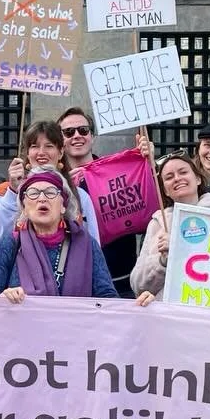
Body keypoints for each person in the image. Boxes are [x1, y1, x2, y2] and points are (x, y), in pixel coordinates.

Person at [0, 169, 135, 301]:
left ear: (63, 206)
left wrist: (139, 306)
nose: (42, 198)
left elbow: (107, 298)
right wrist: (4, 298)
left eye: (50, 192)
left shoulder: (87, 244)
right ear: (24, 208)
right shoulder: (10, 244)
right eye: (33, 193)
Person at [58, 107, 151, 295]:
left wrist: (147, 164)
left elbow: (145, 216)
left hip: (120, 282)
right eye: (68, 132)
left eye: (83, 130)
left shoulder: (118, 175)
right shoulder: (52, 183)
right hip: (72, 286)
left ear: (92, 136)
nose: (76, 136)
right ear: (61, 141)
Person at [0, 121, 101, 248]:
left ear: (61, 152)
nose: (41, 152)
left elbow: (93, 248)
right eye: (34, 146)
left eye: (49, 146)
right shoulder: (7, 192)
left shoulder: (80, 196)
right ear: (27, 153)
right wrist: (12, 192)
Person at [129, 153, 210, 297]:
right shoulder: (157, 224)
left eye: (183, 172)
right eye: (169, 177)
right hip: (169, 315)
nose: (177, 178)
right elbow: (137, 285)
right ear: (164, 190)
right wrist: (162, 261)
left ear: (197, 179)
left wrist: (181, 248)